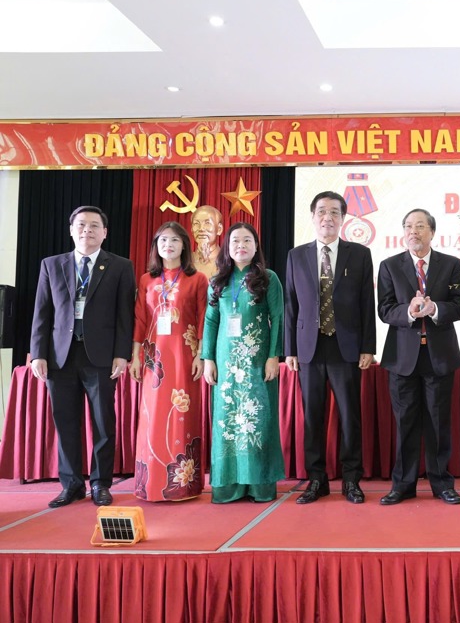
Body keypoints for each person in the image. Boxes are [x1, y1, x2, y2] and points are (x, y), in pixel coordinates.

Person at [29, 206, 136, 508]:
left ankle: (101, 483)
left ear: (105, 232)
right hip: (59, 357)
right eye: (81, 225)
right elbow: (42, 312)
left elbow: (124, 315)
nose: (86, 230)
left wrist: (122, 353)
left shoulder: (120, 266)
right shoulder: (52, 265)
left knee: (103, 422)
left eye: (93, 225)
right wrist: (38, 353)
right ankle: (72, 484)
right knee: (65, 422)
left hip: (101, 356)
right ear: (71, 229)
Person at [285, 191, 376, 505]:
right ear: (312, 217)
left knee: (350, 416)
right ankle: (317, 480)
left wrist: (368, 346)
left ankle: (352, 480)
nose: (328, 217)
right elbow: (290, 306)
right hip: (309, 348)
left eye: (334, 212)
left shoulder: (359, 254)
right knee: (313, 417)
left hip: (346, 347)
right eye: (322, 211)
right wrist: (290, 350)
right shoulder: (296, 256)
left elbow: (367, 303)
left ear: (343, 218)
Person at [377, 208, 460, 506]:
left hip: (439, 355)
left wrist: (435, 309)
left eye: (419, 226)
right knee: (405, 422)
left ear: (432, 231)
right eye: (408, 226)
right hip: (403, 357)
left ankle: (442, 483)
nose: (412, 231)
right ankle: (403, 484)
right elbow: (385, 309)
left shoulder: (452, 265)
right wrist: (409, 311)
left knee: (439, 422)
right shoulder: (389, 266)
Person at [201, 223, 285, 503]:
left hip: (257, 362)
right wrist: (208, 358)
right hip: (225, 365)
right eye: (235, 240)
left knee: (257, 420)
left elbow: (278, 319)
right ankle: (229, 487)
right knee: (227, 422)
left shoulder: (269, 278)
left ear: (256, 246)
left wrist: (274, 356)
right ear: (227, 246)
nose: (241, 245)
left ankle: (258, 485)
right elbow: (211, 321)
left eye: (247, 240)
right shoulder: (217, 281)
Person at [130, 221, 208, 502]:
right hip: (154, 358)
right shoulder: (146, 280)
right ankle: (150, 484)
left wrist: (201, 354)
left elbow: (203, 319)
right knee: (152, 417)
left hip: (184, 355)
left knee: (181, 414)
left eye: (175, 240)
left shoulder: (198, 279)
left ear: (184, 245)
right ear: (156, 246)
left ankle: (184, 484)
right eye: (163, 240)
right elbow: (140, 319)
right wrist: (136, 355)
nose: (169, 245)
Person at [191, 205, 224, 278]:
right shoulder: (184, 260)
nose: (201, 229)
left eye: (207, 223)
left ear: (219, 229)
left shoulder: (228, 261)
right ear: (191, 230)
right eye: (196, 224)